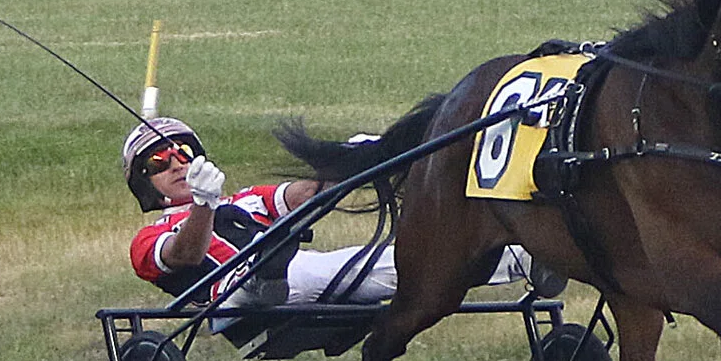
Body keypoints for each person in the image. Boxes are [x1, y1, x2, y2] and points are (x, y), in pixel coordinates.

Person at [123, 117, 533, 305]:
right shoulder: (148, 240)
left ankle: (523, 258)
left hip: (301, 271)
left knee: (402, 261)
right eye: (159, 162)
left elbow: (307, 195)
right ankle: (266, 276)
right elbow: (185, 256)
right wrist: (202, 204)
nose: (177, 163)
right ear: (146, 184)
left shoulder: (244, 200)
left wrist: (364, 158)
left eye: (184, 153)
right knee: (293, 268)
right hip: (232, 292)